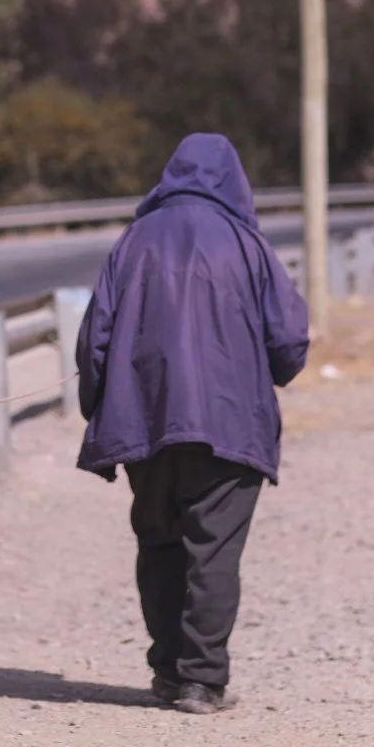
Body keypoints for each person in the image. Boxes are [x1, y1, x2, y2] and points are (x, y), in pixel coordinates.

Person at [75, 133, 310, 714]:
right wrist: (269, 373)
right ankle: (201, 681)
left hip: (147, 422)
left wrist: (101, 409)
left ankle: (166, 671)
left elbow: (93, 341)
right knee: (213, 551)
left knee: (159, 543)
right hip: (230, 427)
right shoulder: (246, 244)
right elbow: (289, 341)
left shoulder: (133, 241)